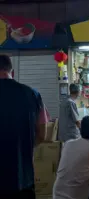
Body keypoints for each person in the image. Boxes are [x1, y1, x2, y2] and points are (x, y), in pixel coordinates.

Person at [0, 54, 47, 198]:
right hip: (23, 177)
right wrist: (22, 148)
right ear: (11, 71)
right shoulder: (33, 94)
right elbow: (42, 135)